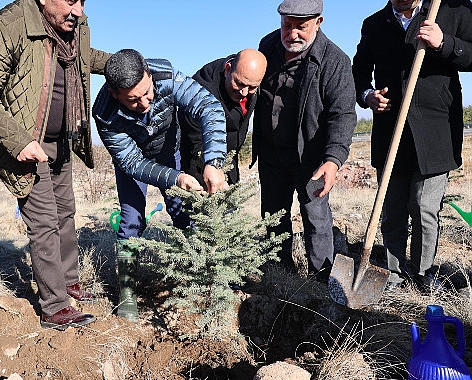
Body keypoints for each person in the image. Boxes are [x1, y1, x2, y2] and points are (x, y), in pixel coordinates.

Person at [0, 0, 110, 331]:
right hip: (25, 143)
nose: (79, 11)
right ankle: (54, 307)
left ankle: (69, 284)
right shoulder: (6, 26)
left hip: (62, 141)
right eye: (71, 0)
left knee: (65, 214)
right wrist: (20, 141)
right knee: (43, 222)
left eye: (84, 2)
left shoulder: (73, 26)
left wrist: (118, 63)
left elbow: (85, 57)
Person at [92, 49, 228, 322]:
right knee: (131, 221)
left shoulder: (166, 76)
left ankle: (193, 276)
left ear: (149, 75)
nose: (145, 102)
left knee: (183, 213)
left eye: (147, 91)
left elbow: (208, 106)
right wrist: (175, 178)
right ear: (114, 92)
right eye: (133, 99)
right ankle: (128, 293)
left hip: (170, 151)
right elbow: (132, 164)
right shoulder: (105, 114)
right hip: (133, 164)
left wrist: (213, 160)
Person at [352, 0, 472, 291]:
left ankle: (423, 276)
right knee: (392, 209)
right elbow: (359, 70)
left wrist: (444, 42)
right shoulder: (375, 24)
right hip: (391, 131)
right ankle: (391, 275)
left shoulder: (454, 11)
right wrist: (367, 95)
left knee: (424, 208)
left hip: (436, 131)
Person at [252, 0, 357, 282]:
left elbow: (343, 115)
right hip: (272, 152)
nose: (293, 34)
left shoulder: (335, 61)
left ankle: (322, 279)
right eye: (287, 26)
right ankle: (279, 274)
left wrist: (333, 160)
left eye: (302, 27)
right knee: (273, 215)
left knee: (316, 217)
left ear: (318, 23)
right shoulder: (267, 46)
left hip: (311, 156)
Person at [180, 49, 267, 186]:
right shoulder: (199, 92)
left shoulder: (250, 77)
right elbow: (196, 142)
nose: (244, 93)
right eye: (239, 83)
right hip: (199, 161)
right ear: (228, 70)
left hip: (231, 158)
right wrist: (213, 169)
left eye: (252, 87)